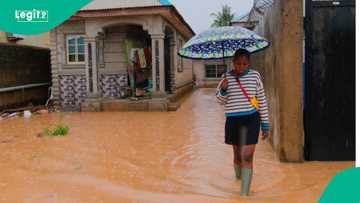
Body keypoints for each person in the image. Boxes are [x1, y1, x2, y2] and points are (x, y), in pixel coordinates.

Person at [216, 48, 270, 196]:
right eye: (238, 63)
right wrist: (224, 89)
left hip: (251, 119)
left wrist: (265, 123)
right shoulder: (225, 77)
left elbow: (261, 100)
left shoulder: (255, 76)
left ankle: (243, 195)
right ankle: (238, 179)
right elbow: (220, 101)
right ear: (233, 63)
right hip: (233, 120)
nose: (241, 67)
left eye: (244, 64)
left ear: (249, 63)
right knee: (237, 155)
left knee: (247, 156)